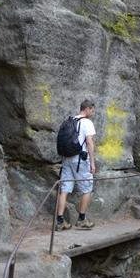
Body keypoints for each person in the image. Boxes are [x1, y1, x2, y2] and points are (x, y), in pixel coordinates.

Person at [56, 99, 97, 231]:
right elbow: (89, 143)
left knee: (65, 189)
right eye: (92, 110)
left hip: (66, 159)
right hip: (80, 160)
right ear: (87, 109)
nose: (93, 112)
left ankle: (60, 221)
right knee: (87, 188)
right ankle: (82, 219)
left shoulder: (70, 120)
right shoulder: (87, 122)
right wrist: (92, 162)